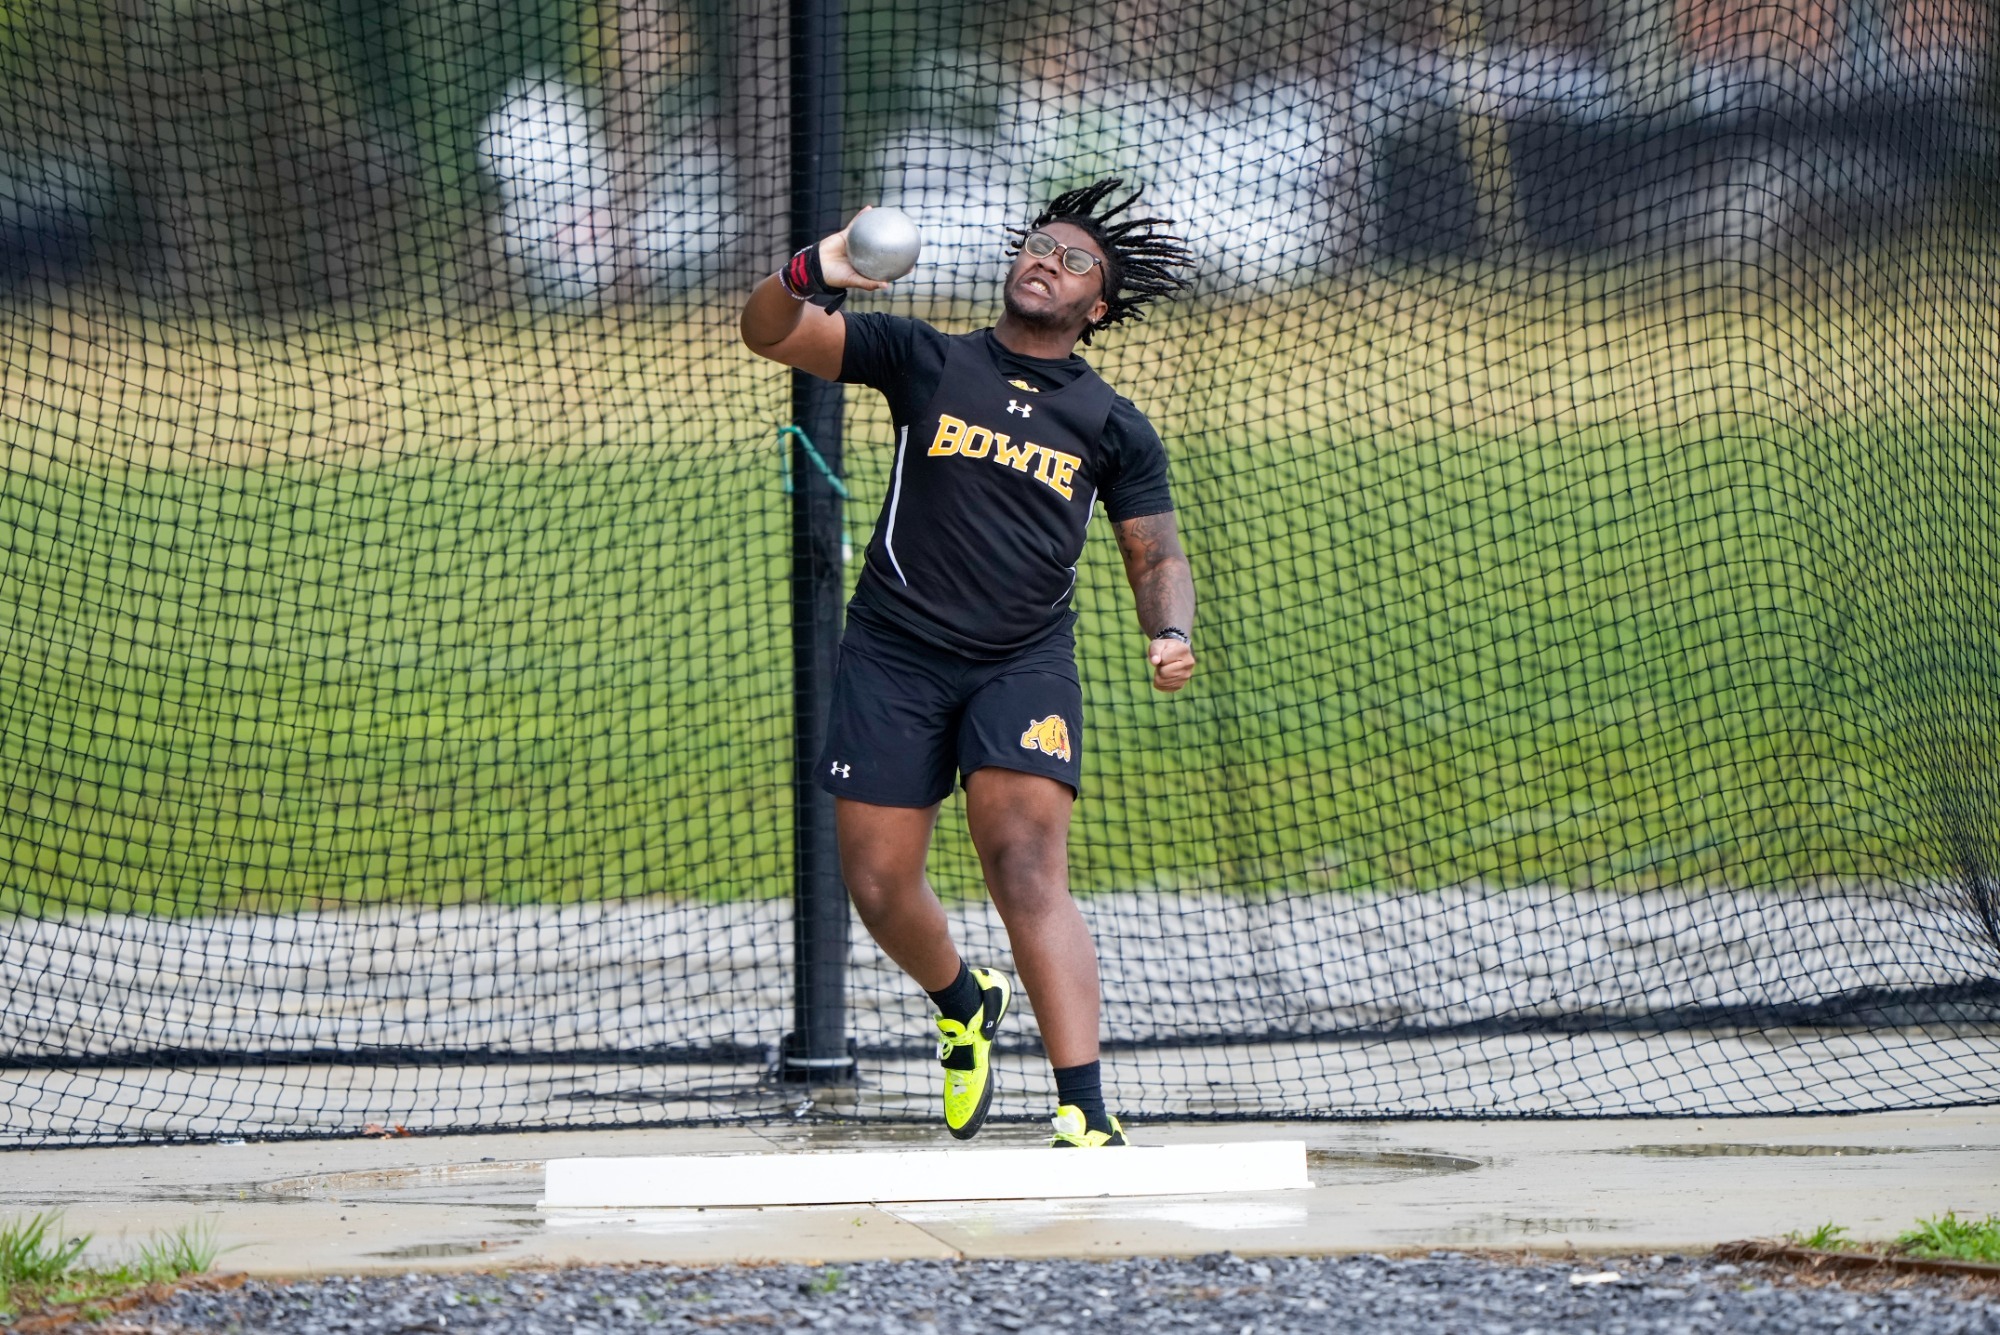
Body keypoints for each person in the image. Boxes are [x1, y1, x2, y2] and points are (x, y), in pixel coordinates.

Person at [740, 179, 1196, 1148]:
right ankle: (961, 998)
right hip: (893, 654)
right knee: (875, 884)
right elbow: (770, 334)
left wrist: (1169, 632)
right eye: (1039, 245)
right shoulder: (923, 358)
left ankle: (1083, 1105)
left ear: (1097, 307)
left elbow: (1153, 551)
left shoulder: (1113, 425)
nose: (1048, 262)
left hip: (1020, 664)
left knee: (1025, 865)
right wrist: (810, 272)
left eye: (1075, 262)